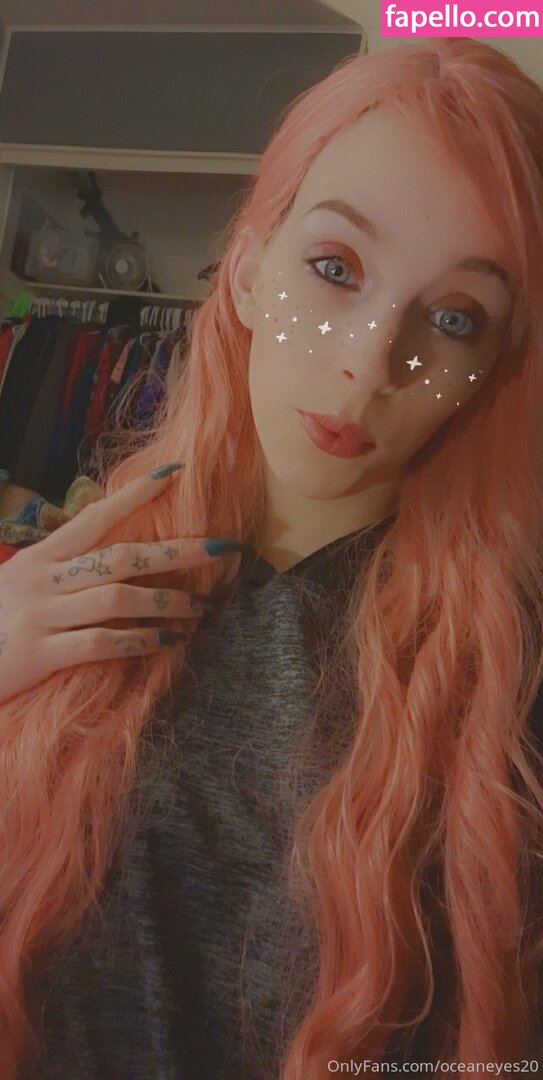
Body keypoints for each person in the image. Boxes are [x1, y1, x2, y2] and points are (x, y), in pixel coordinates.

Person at [0, 35, 542, 1079]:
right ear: (248, 273)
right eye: (335, 269)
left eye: (453, 318)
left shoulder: (507, 690)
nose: (369, 361)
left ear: (491, 370)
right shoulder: (78, 579)